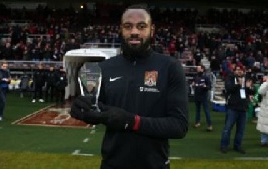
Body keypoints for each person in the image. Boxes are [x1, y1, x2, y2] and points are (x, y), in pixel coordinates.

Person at [70, 4, 188, 169]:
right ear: (121, 29)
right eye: (128, 26)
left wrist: (132, 121)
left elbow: (179, 126)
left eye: (141, 26)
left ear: (151, 30)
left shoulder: (169, 67)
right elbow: (99, 112)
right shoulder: (105, 68)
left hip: (155, 165)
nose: (134, 32)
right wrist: (81, 109)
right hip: (112, 165)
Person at [220, 64, 253, 154]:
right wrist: (238, 84)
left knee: (240, 130)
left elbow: (251, 92)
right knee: (227, 128)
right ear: (234, 71)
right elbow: (229, 89)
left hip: (243, 108)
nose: (239, 71)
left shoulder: (247, 79)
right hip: (232, 108)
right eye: (237, 69)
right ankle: (224, 145)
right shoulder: (230, 78)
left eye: (241, 69)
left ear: (243, 71)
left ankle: (237, 146)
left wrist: (249, 88)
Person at [192, 65, 213, 131]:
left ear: (202, 69)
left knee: (206, 110)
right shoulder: (195, 77)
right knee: (197, 110)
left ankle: (209, 125)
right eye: (197, 68)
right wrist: (193, 85)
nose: (197, 69)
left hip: (203, 96)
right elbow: (193, 84)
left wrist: (205, 86)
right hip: (197, 96)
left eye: (199, 68)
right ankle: (197, 122)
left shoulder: (206, 77)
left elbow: (210, 86)